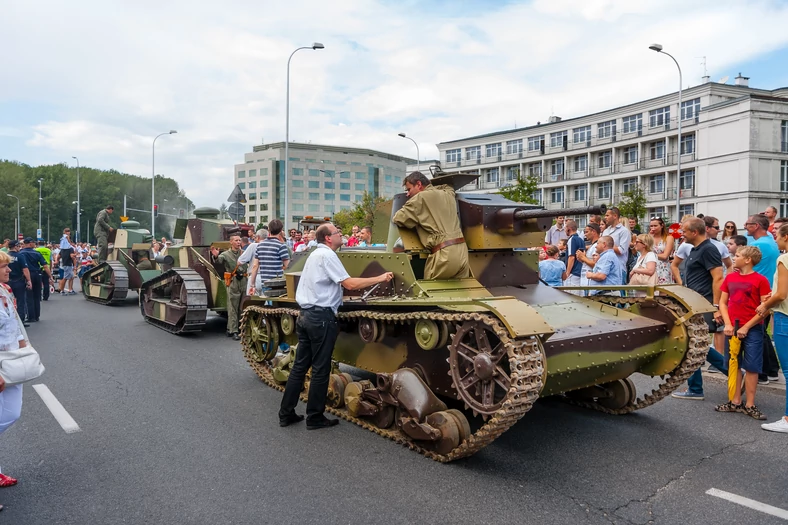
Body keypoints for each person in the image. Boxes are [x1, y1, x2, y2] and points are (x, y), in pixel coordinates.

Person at [278, 224, 394, 430]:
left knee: (299, 367)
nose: (341, 235)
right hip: (321, 318)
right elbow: (349, 284)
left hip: (305, 315)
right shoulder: (328, 256)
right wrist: (380, 277)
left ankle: (286, 413)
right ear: (328, 238)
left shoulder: (313, 255)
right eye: (337, 233)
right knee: (321, 370)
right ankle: (314, 417)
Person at [671, 218, 726, 401]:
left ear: (695, 232)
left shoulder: (709, 249)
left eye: (684, 231)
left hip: (703, 303)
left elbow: (718, 278)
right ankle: (733, 372)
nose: (682, 234)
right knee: (696, 344)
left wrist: (717, 307)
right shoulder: (695, 249)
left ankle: (696, 388)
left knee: (693, 344)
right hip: (693, 303)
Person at [716, 245, 771, 420]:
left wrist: (747, 326)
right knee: (733, 363)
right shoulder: (730, 278)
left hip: (752, 328)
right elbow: (723, 303)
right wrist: (727, 323)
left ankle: (750, 404)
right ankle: (735, 401)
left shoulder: (761, 280)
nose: (734, 257)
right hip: (732, 327)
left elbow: (766, 308)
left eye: (737, 255)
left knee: (752, 366)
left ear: (748, 260)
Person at [392, 171, 470, 280]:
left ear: (419, 184)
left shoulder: (419, 198)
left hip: (444, 254)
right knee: (461, 292)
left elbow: (398, 218)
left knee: (430, 291)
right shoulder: (447, 193)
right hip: (462, 251)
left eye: (409, 189)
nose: (407, 194)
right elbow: (449, 186)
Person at [755, 223, 788, 432]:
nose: (774, 240)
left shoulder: (784, 259)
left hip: (785, 316)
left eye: (777, 235)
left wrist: (765, 304)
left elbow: (782, 294)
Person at [0, 250, 26, 499]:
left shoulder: (4, 291)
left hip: (11, 363)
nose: (9, 270)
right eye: (4, 267)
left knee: (12, 413)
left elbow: (14, 325)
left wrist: (24, 350)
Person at [744, 214, 781, 384]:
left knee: (757, 333)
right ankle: (772, 369)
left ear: (757, 226)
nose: (745, 226)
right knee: (763, 332)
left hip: (755, 293)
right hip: (766, 291)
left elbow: (745, 267)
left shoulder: (757, 245)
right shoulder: (772, 242)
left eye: (748, 224)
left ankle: (762, 372)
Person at [210, 234, 247, 339]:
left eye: (240, 240)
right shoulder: (226, 254)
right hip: (233, 280)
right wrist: (216, 255)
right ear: (231, 242)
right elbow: (218, 260)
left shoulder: (244, 253)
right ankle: (233, 330)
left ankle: (241, 328)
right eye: (236, 240)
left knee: (243, 306)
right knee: (232, 307)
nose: (238, 242)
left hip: (244, 280)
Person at [248, 219, 290, 296]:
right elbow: (288, 267)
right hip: (277, 284)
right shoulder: (281, 246)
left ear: (268, 229)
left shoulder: (260, 245)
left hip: (264, 282)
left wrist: (252, 285)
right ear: (281, 230)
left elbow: (255, 266)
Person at [21, 238, 49, 323]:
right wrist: (50, 276)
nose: (35, 244)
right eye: (34, 242)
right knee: (37, 296)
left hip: (28, 274)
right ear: (29, 244)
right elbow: (44, 265)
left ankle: (31, 316)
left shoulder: (21, 253)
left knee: (29, 296)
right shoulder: (37, 253)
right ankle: (37, 315)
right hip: (37, 274)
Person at [601, 208, 630, 284]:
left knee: (619, 294)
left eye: (607, 215)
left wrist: (607, 246)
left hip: (618, 269)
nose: (605, 218)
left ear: (615, 216)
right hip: (605, 268)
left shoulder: (624, 231)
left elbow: (621, 250)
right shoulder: (605, 231)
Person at [6, 241, 31, 328]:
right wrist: (29, 281)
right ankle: (20, 321)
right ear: (15, 246)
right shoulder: (20, 256)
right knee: (21, 301)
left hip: (7, 282)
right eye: (19, 246)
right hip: (19, 281)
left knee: (8, 302)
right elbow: (25, 270)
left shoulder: (5, 256)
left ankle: (9, 321)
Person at [576, 222, 601, 295]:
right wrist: (582, 259)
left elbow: (596, 265)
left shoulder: (597, 246)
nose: (585, 234)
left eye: (586, 232)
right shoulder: (592, 246)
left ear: (593, 232)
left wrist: (583, 258)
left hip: (590, 282)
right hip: (585, 281)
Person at [649, 217, 675, 285]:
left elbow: (665, 256)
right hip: (651, 267)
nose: (653, 228)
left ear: (662, 225)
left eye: (655, 226)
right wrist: (649, 238)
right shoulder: (649, 238)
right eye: (651, 226)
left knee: (663, 291)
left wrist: (650, 255)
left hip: (663, 268)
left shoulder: (668, 238)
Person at [57, 229, 77, 295]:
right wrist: (76, 254)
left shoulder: (62, 249)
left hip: (64, 263)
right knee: (65, 278)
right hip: (68, 264)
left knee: (71, 277)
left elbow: (58, 256)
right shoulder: (70, 249)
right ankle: (62, 291)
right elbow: (72, 256)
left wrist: (57, 261)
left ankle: (70, 290)